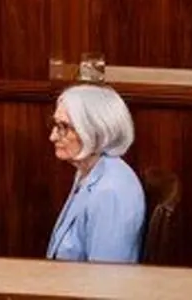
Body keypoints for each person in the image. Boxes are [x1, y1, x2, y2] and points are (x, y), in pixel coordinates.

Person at [46, 84, 145, 263]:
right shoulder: (87, 171)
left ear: (94, 130)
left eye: (64, 127)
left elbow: (105, 281)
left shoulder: (111, 192)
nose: (53, 137)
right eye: (55, 125)